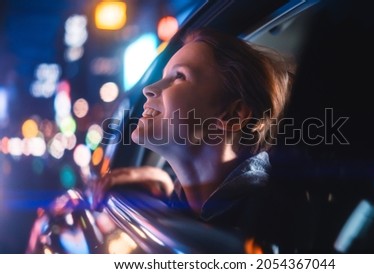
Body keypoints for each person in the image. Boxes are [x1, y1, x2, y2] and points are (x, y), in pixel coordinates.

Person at [92, 28, 295, 251]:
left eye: (179, 76)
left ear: (232, 115)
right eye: (163, 77)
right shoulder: (225, 209)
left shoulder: (269, 227)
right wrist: (164, 186)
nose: (149, 89)